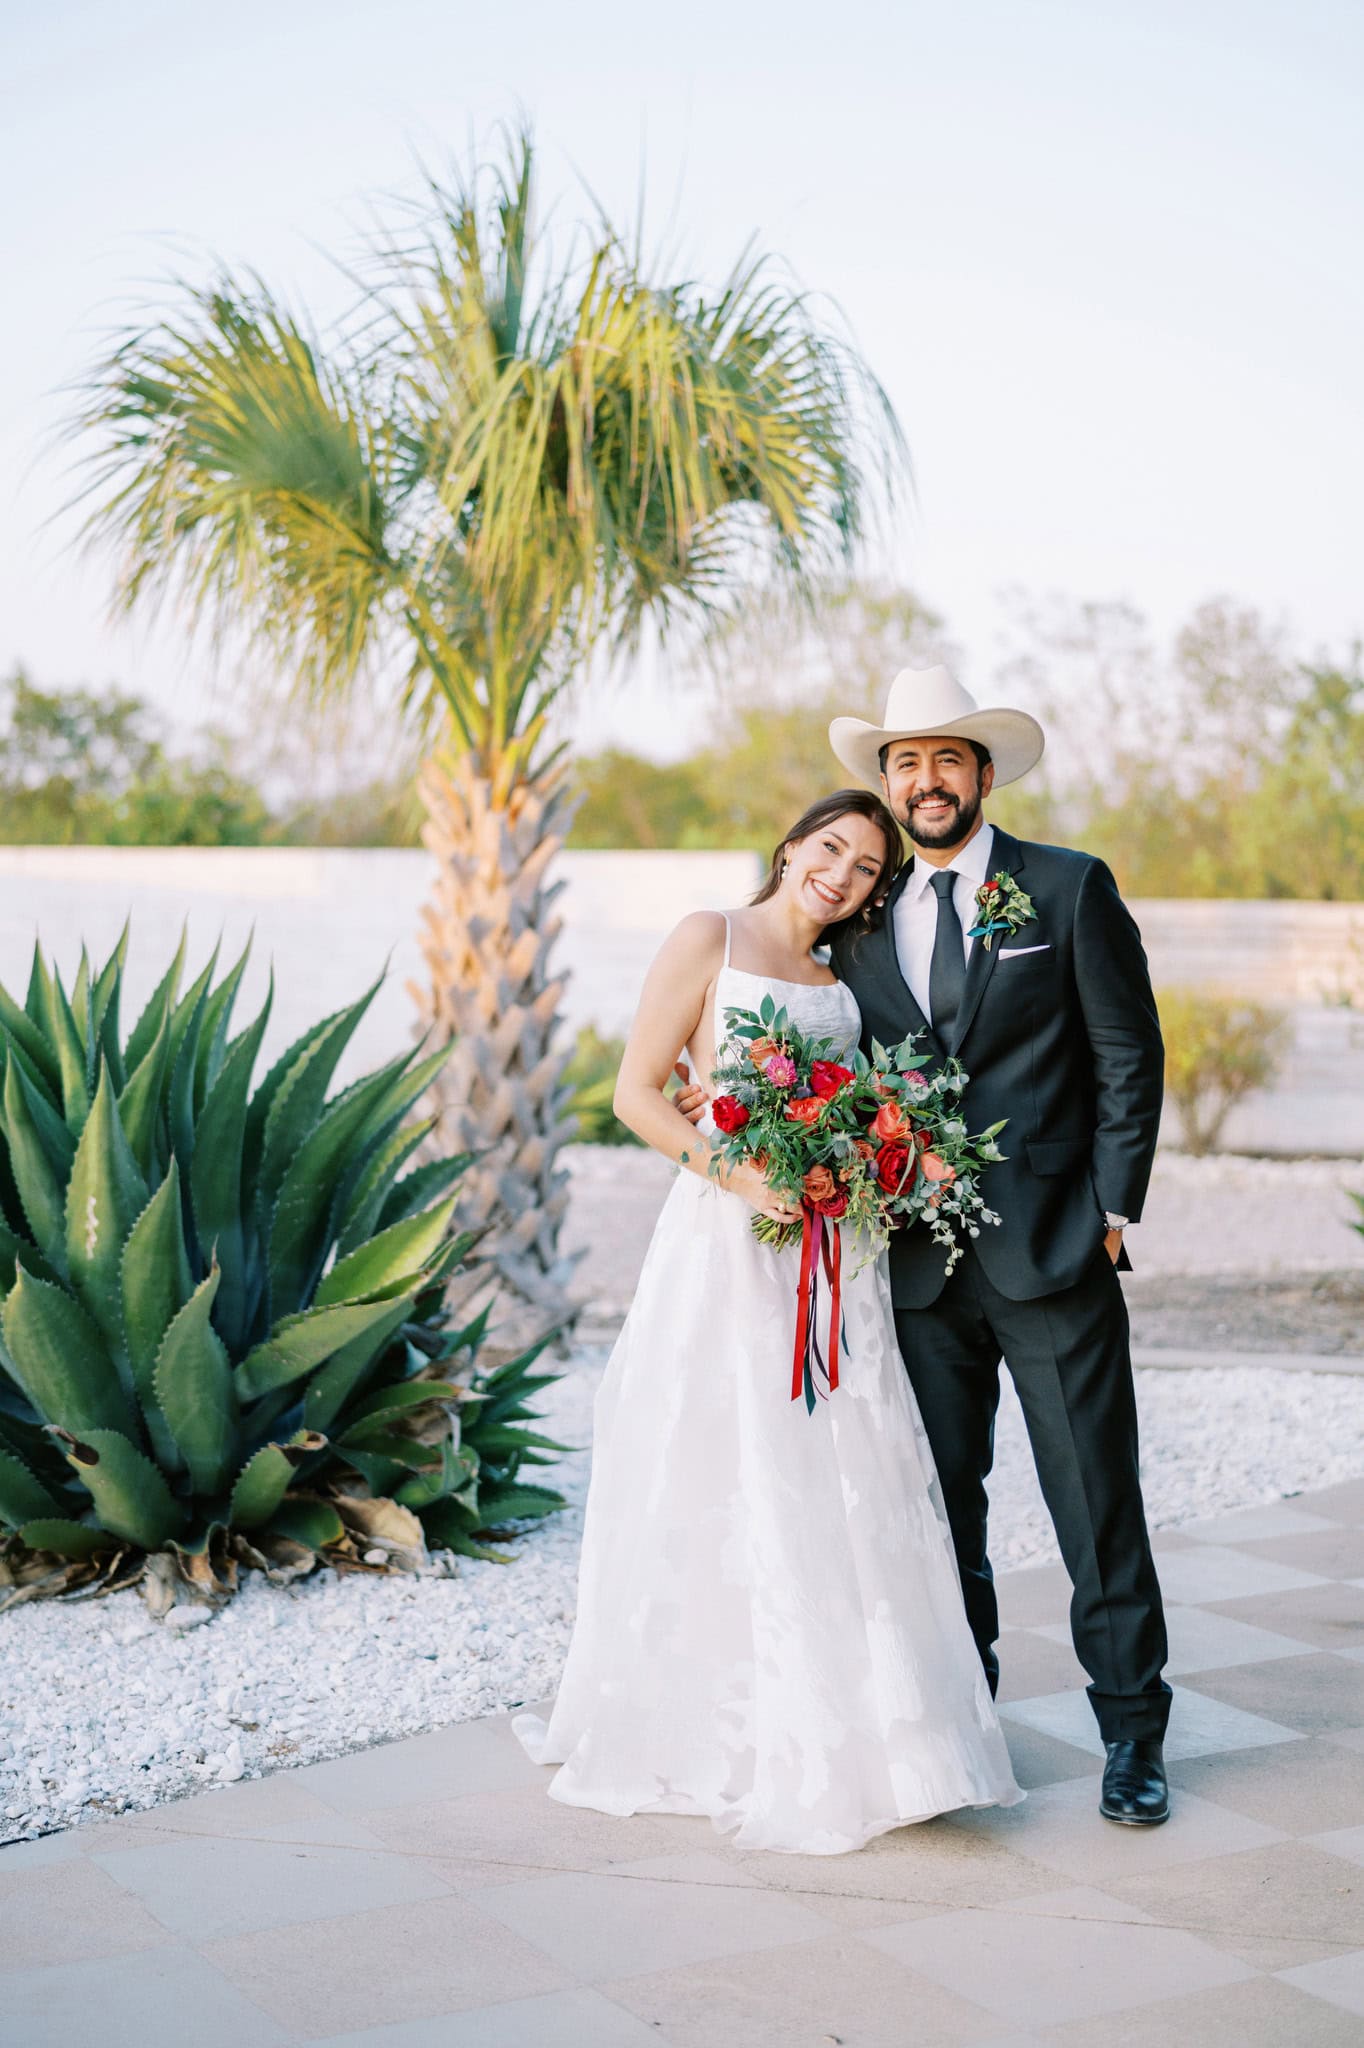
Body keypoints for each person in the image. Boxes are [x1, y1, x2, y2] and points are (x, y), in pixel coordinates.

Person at [514, 788, 1021, 1855]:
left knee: (843, 1462)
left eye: (864, 867)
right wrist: (741, 1177)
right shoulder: (711, 934)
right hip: (729, 1239)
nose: (839, 872)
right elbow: (636, 1094)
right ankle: (730, 1724)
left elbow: (860, 1100)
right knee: (724, 1452)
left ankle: (874, 1731)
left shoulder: (844, 981)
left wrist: (873, 1155)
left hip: (838, 1248)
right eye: (829, 847)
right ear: (790, 845)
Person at [823, 665, 1172, 1827]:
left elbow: (1127, 1051)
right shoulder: (860, 920)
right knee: (942, 1511)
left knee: (1094, 1503)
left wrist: (1111, 1211)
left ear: (980, 774)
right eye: (904, 761)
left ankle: (1131, 1735)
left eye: (945, 759)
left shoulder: (1066, 889)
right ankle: (963, 1728)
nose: (924, 780)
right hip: (915, 1270)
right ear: (885, 781)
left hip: (1054, 1254)